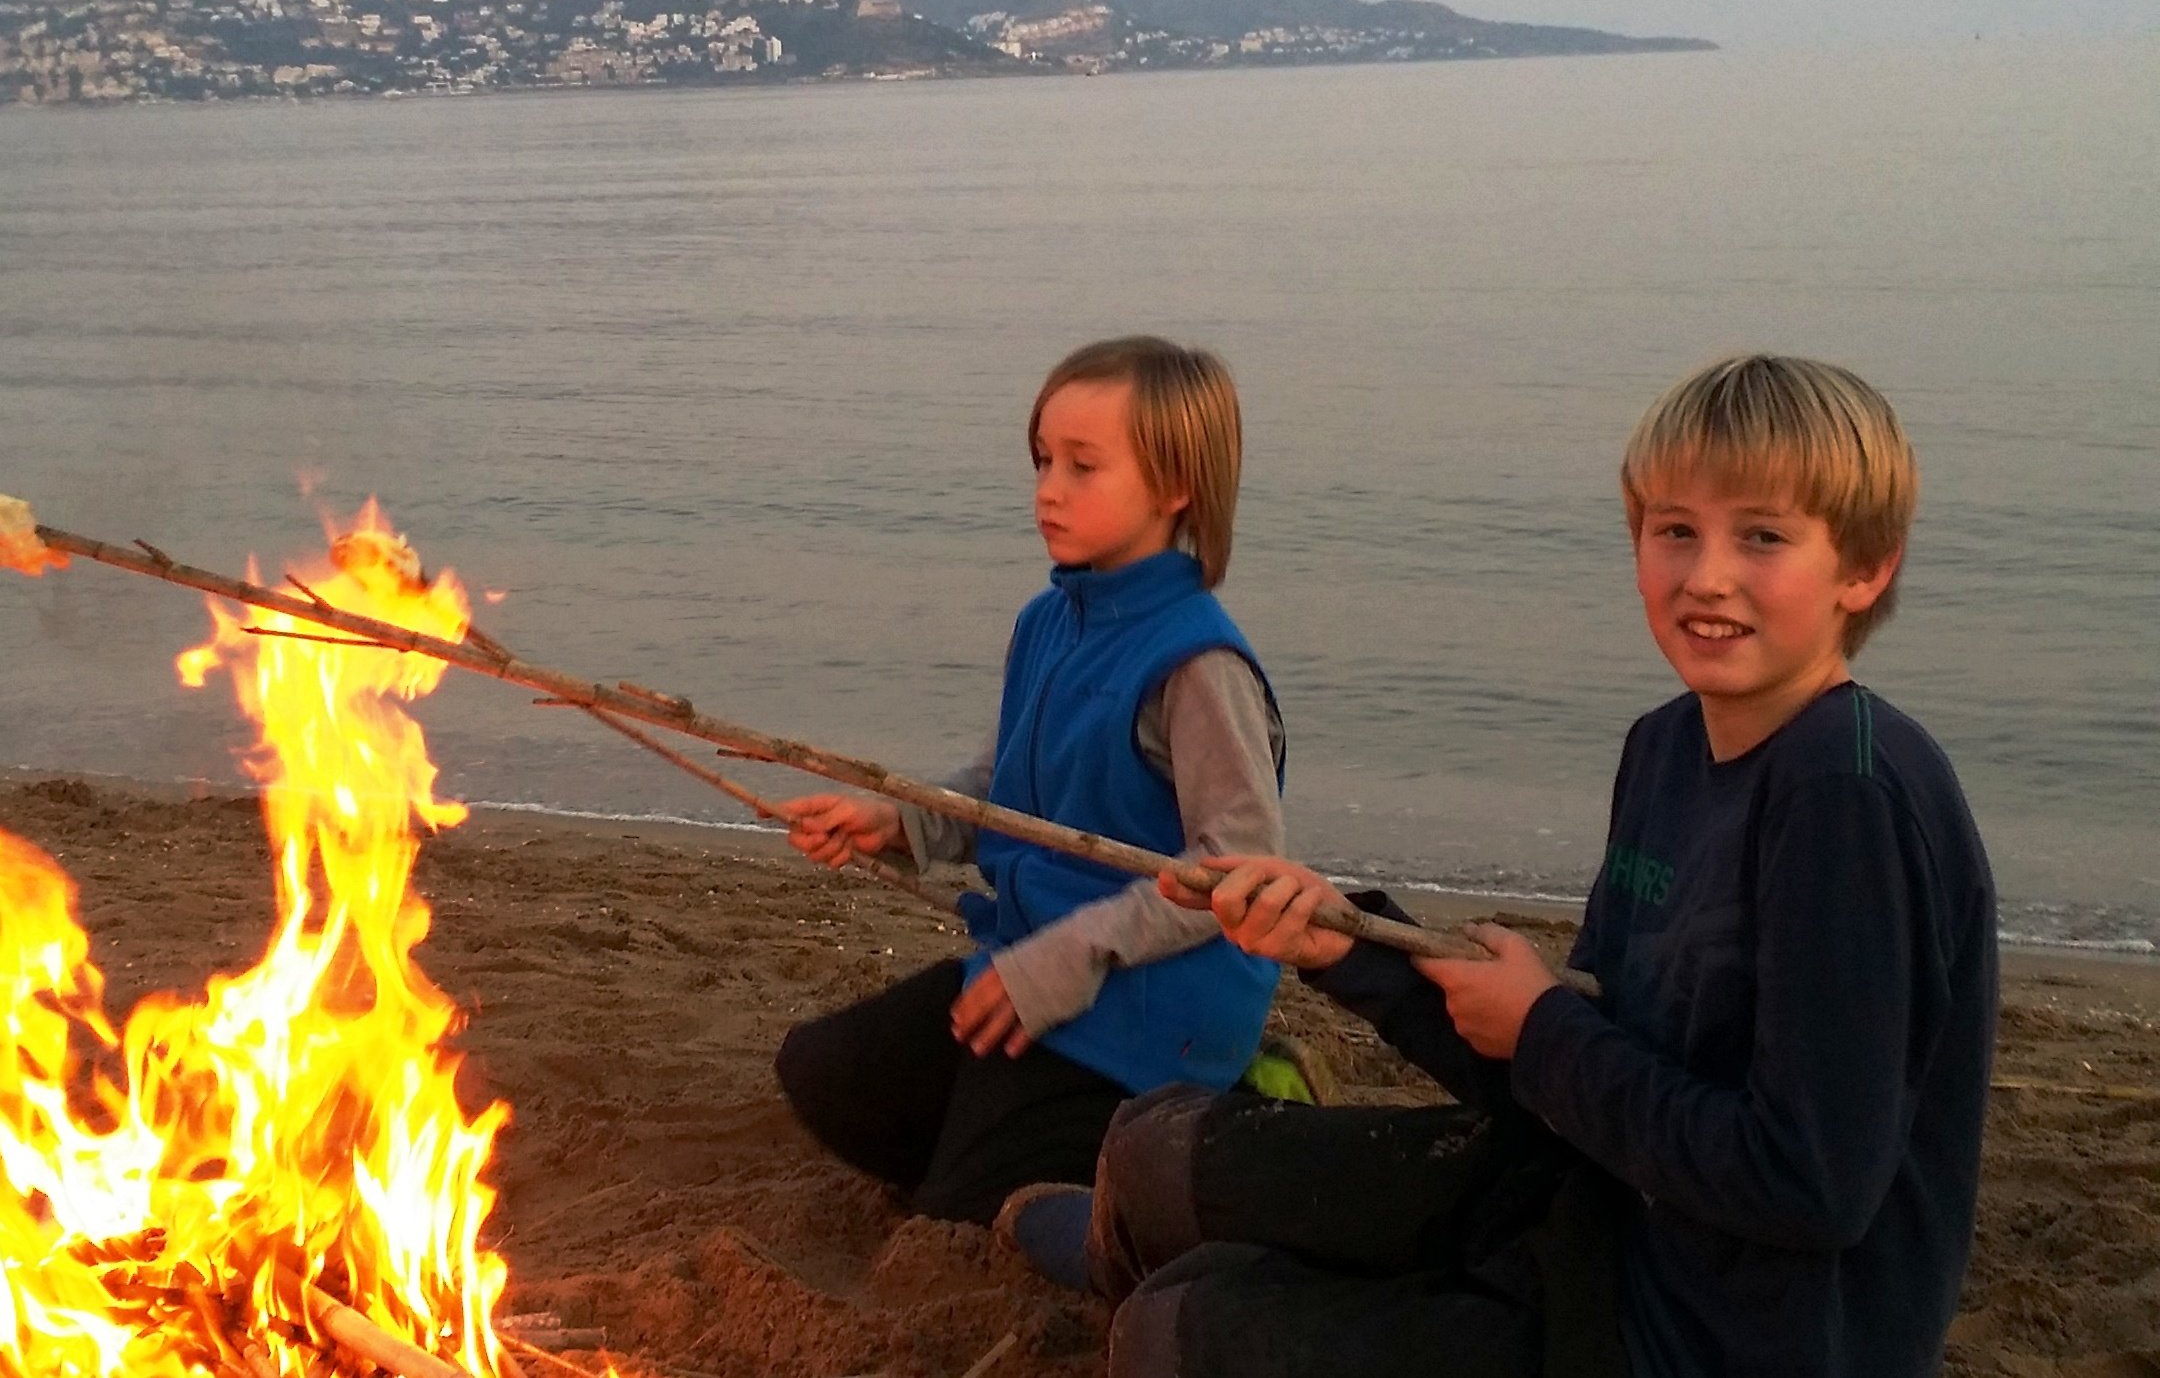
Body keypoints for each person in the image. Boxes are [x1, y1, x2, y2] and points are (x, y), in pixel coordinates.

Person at [1005, 354, 1999, 1378]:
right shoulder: (1665, 747)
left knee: (1174, 1329)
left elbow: (1809, 1184)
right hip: (1601, 1201)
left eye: (1762, 535)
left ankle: (1156, 1283)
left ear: (1863, 568)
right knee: (1150, 1150)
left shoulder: (1848, 800)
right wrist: (1340, 943)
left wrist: (1544, 1027)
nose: (1706, 574)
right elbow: (1567, 1058)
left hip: (1714, 1336)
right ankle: (1125, 1252)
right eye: (1673, 530)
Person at [772, 335, 1290, 1227]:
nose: (1049, 488)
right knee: (819, 1074)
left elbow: (1237, 870)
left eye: (1083, 466)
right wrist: (900, 822)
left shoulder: (1199, 665)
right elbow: (1004, 781)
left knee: (968, 1210)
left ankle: (1220, 1117)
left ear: (1175, 486)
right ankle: (1028, 1135)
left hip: (1151, 1003)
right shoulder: (1047, 622)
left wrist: (1070, 956)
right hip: (1031, 965)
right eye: (1044, 460)